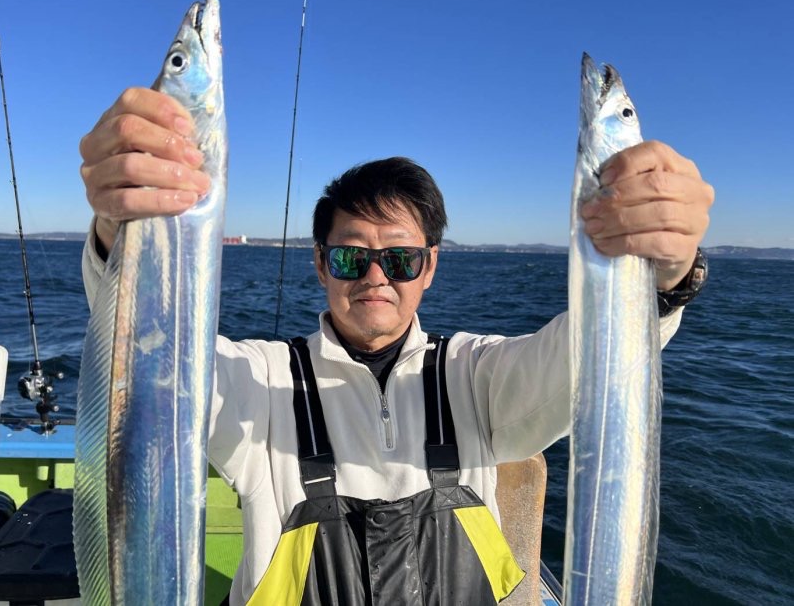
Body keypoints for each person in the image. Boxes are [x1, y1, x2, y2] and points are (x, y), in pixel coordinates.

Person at [79, 88, 714, 605]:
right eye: (351, 257)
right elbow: (157, 353)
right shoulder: (260, 381)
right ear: (321, 265)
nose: (376, 277)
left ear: (429, 266)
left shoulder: (475, 375)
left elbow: (587, 360)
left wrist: (663, 278)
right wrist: (121, 231)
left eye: (401, 258)